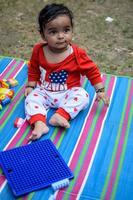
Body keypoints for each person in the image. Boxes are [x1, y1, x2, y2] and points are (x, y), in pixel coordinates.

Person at [25, 3, 109, 141]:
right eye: (53, 32)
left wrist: (100, 90)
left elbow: (92, 71)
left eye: (66, 30)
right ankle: (39, 123)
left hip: (68, 92)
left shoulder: (77, 54)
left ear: (72, 30)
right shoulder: (38, 50)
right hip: (44, 91)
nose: (61, 36)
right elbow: (33, 68)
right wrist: (30, 86)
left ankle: (61, 115)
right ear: (43, 34)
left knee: (83, 96)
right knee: (30, 99)